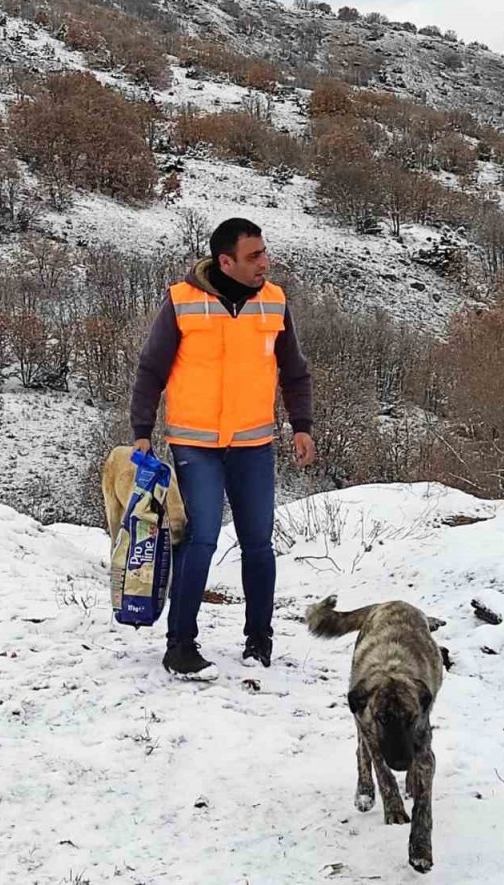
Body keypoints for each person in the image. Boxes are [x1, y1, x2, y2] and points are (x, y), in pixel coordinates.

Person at [130, 217, 315, 680]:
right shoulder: (182, 302)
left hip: (254, 442)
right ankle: (180, 643)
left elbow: (293, 370)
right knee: (203, 536)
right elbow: (151, 369)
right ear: (224, 260)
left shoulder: (274, 301)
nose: (264, 263)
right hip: (195, 443)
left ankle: (259, 639)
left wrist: (301, 425)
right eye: (253, 256)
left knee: (258, 544)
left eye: (264, 252)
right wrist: (141, 430)